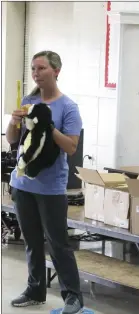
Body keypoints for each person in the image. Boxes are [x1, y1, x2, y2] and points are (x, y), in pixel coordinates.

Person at [6, 50, 84, 314]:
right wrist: (14, 122)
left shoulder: (68, 107)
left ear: (56, 71)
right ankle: (35, 289)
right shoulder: (28, 101)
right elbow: (12, 140)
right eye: (33, 69)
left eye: (41, 68)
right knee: (31, 240)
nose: (36, 74)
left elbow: (71, 147)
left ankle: (73, 296)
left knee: (58, 242)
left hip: (50, 188)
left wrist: (49, 127)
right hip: (22, 185)